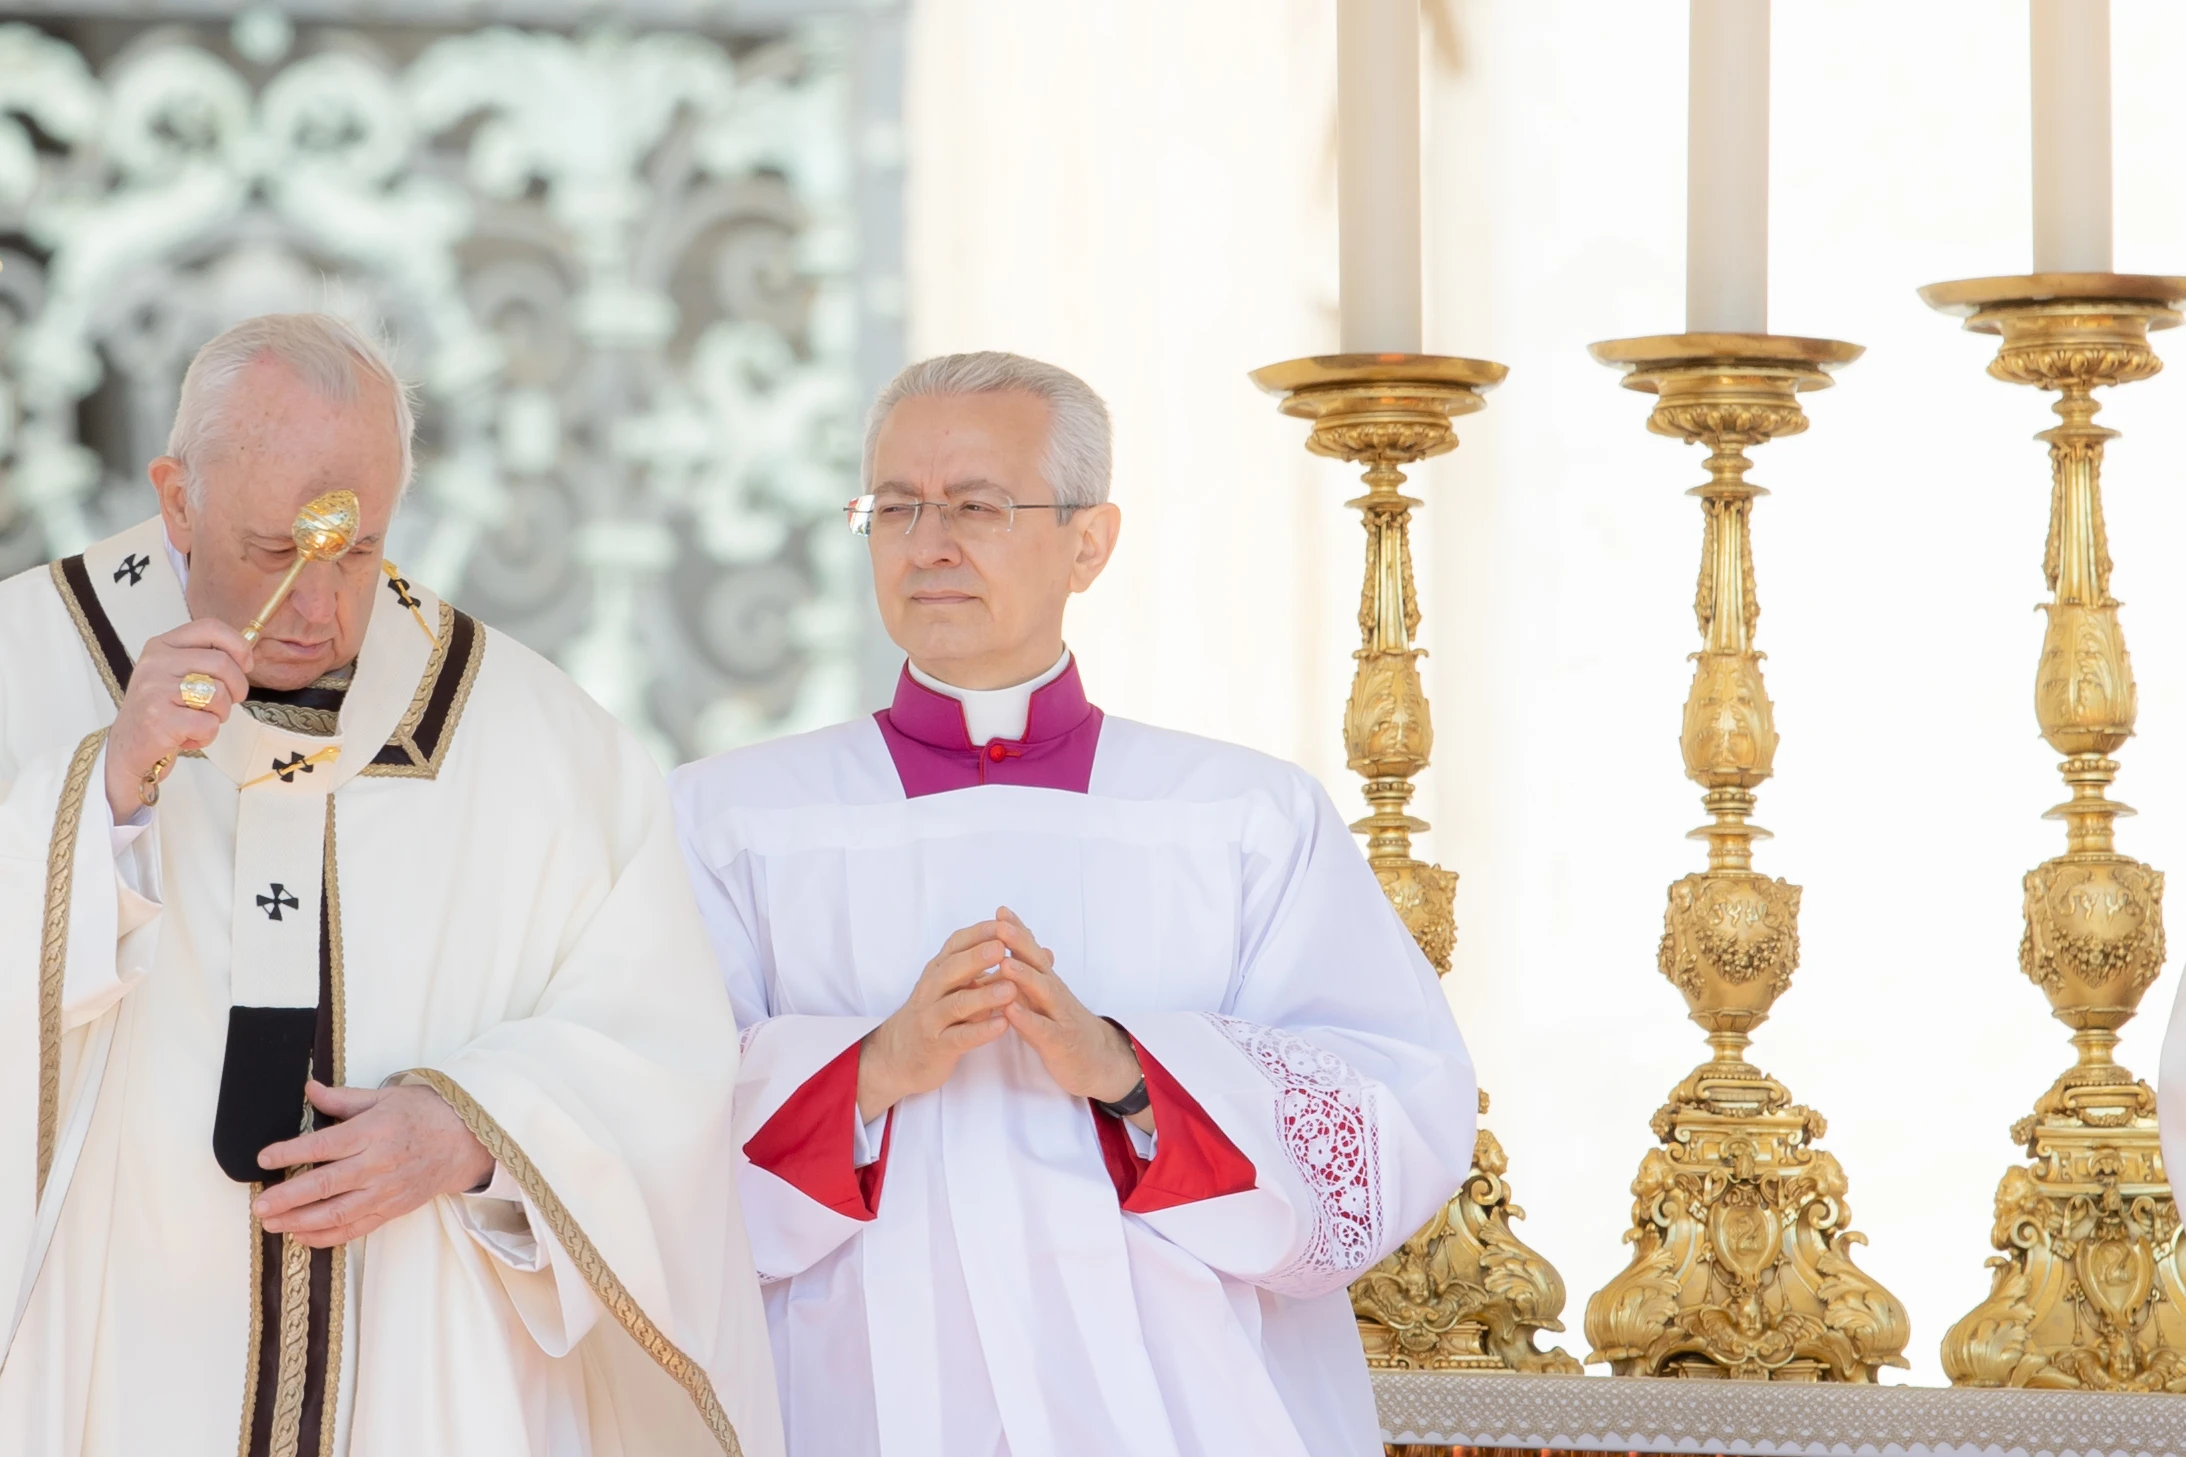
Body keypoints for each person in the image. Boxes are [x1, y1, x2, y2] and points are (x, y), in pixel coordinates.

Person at [0, 314, 781, 1457]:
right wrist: (102, 793)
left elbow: (659, 1048)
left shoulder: (539, 740)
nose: (318, 608)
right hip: (111, 1364)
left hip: (425, 1365)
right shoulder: (25, 664)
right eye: (277, 552)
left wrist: (480, 1128)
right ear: (177, 500)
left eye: (358, 551)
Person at [672, 351, 1475, 1457]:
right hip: (843, 1392)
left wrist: (1133, 1072)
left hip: (1178, 1401)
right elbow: (638, 1120)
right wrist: (867, 1071)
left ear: (1089, 541)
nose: (929, 542)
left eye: (977, 505)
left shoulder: (1240, 814)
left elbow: (1397, 1109)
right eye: (895, 506)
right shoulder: (728, 817)